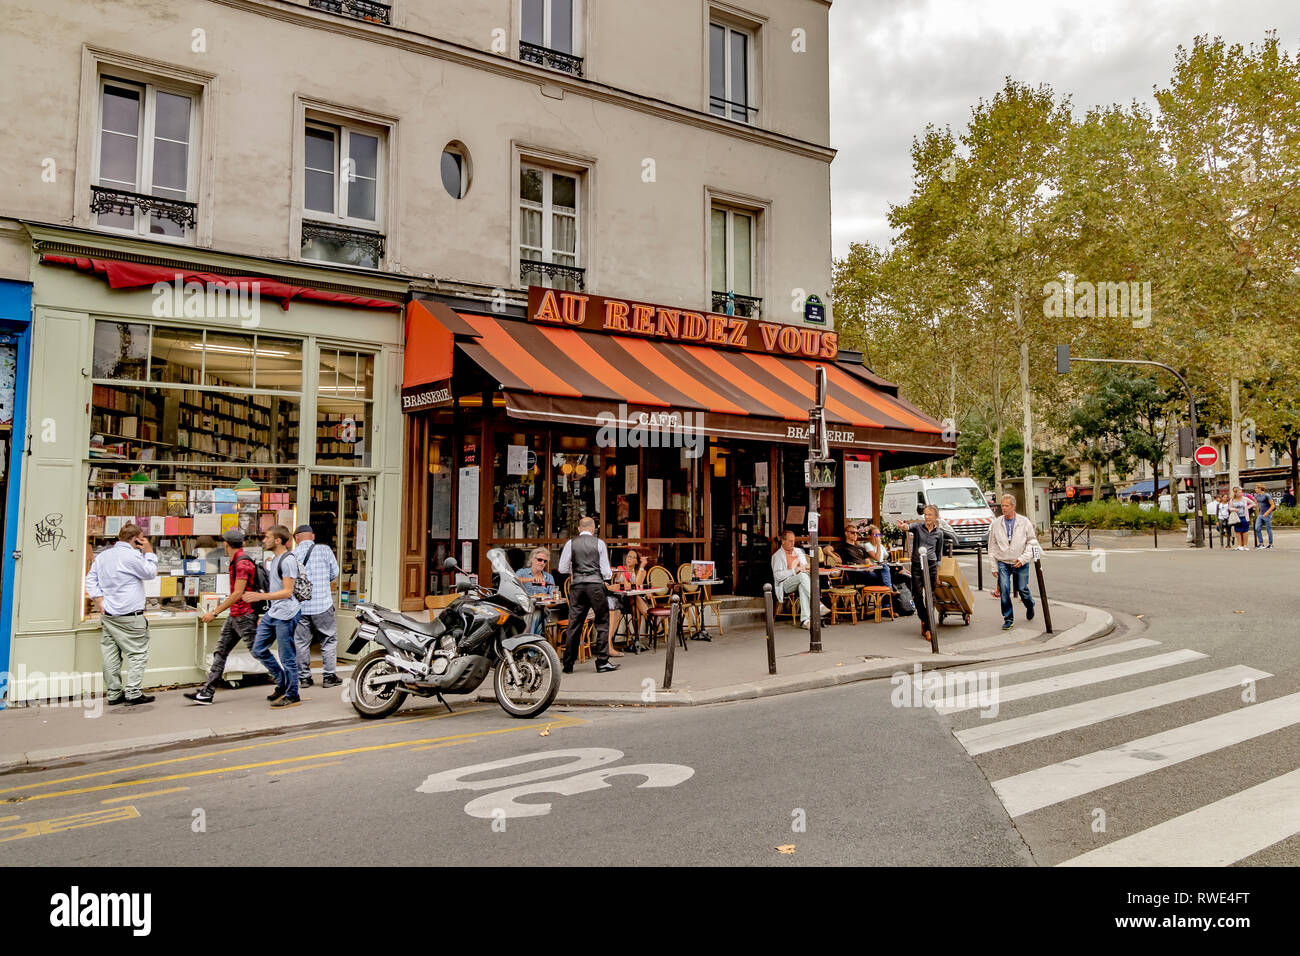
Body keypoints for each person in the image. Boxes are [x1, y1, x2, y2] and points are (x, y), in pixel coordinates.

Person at [84, 523, 158, 706]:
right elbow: (150, 573)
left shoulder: (103, 556)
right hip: (129, 614)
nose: (143, 541)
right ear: (136, 539)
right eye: (142, 538)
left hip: (109, 614)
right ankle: (133, 693)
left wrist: (99, 601)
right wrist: (148, 550)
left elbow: (90, 580)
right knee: (138, 653)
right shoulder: (131, 556)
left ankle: (113, 693)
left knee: (110, 653)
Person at [184, 529, 260, 704]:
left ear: (226, 544)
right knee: (221, 652)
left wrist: (214, 612)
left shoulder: (241, 563)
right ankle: (207, 692)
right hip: (236, 615)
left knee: (259, 652)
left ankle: (287, 683)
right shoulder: (237, 560)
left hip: (244, 615)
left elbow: (237, 594)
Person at [243, 524, 303, 707]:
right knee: (258, 649)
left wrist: (259, 596)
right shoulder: (275, 559)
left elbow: (287, 592)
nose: (264, 540)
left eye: (268, 537)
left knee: (287, 657)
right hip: (274, 611)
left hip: (286, 613)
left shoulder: (287, 560)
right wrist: (267, 611)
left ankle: (293, 695)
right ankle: (283, 682)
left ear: (278, 540)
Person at [557, 516, 618, 673]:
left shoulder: (571, 543)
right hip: (596, 586)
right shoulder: (599, 543)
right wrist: (602, 576)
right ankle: (602, 662)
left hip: (577, 586)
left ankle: (568, 664)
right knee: (602, 623)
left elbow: (562, 569)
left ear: (579, 529)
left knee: (574, 624)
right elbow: (606, 572)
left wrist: (576, 571)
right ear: (593, 529)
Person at [895, 506, 958, 642]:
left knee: (930, 597)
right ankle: (925, 619)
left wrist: (937, 574)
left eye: (930, 515)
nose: (927, 517)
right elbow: (908, 527)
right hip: (917, 565)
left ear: (936, 517)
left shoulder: (939, 533)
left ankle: (928, 628)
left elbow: (939, 554)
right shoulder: (918, 528)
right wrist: (903, 526)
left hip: (931, 566)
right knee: (917, 595)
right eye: (925, 514)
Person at [291, 524, 342, 688]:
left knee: (301, 642)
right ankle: (329, 677)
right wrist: (322, 582)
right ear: (312, 536)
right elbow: (335, 573)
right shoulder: (325, 550)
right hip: (323, 605)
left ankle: (304, 678)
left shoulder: (292, 555)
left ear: (296, 538)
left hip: (300, 606)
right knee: (328, 640)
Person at [987, 494, 1040, 631]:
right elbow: (991, 545)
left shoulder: (1024, 522)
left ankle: (1030, 605)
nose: (1003, 508)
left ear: (1013, 506)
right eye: (1002, 506)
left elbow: (1032, 542)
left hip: (1020, 561)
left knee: (1022, 589)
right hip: (1003, 561)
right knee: (1004, 590)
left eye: (1006, 506)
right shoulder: (997, 523)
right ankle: (1008, 618)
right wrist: (994, 566)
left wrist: (1023, 559)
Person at [770, 530, 830, 629]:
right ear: (783, 541)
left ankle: (805, 621)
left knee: (803, 585)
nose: (792, 543)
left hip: (801, 580)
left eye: (793, 541)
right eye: (790, 541)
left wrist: (805, 568)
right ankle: (817, 603)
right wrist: (794, 571)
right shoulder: (777, 556)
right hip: (785, 584)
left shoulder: (798, 551)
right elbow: (777, 576)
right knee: (802, 577)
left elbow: (804, 565)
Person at [515, 547, 557, 636]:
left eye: (545, 561)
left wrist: (545, 601)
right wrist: (531, 579)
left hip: (542, 609)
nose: (542, 563)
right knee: (539, 622)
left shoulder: (549, 577)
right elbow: (514, 580)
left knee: (537, 614)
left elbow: (553, 599)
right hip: (524, 609)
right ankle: (535, 646)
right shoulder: (522, 572)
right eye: (540, 560)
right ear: (532, 560)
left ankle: (527, 642)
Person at [1253, 485, 1276, 549]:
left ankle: (1270, 544)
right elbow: (1257, 505)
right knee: (1257, 528)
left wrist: (1267, 513)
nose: (1255, 489)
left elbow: (1273, 505)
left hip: (1267, 514)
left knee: (1268, 529)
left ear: (1260, 488)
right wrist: (1257, 513)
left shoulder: (1267, 495)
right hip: (1260, 514)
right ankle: (1261, 543)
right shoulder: (1256, 496)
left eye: (1256, 488)